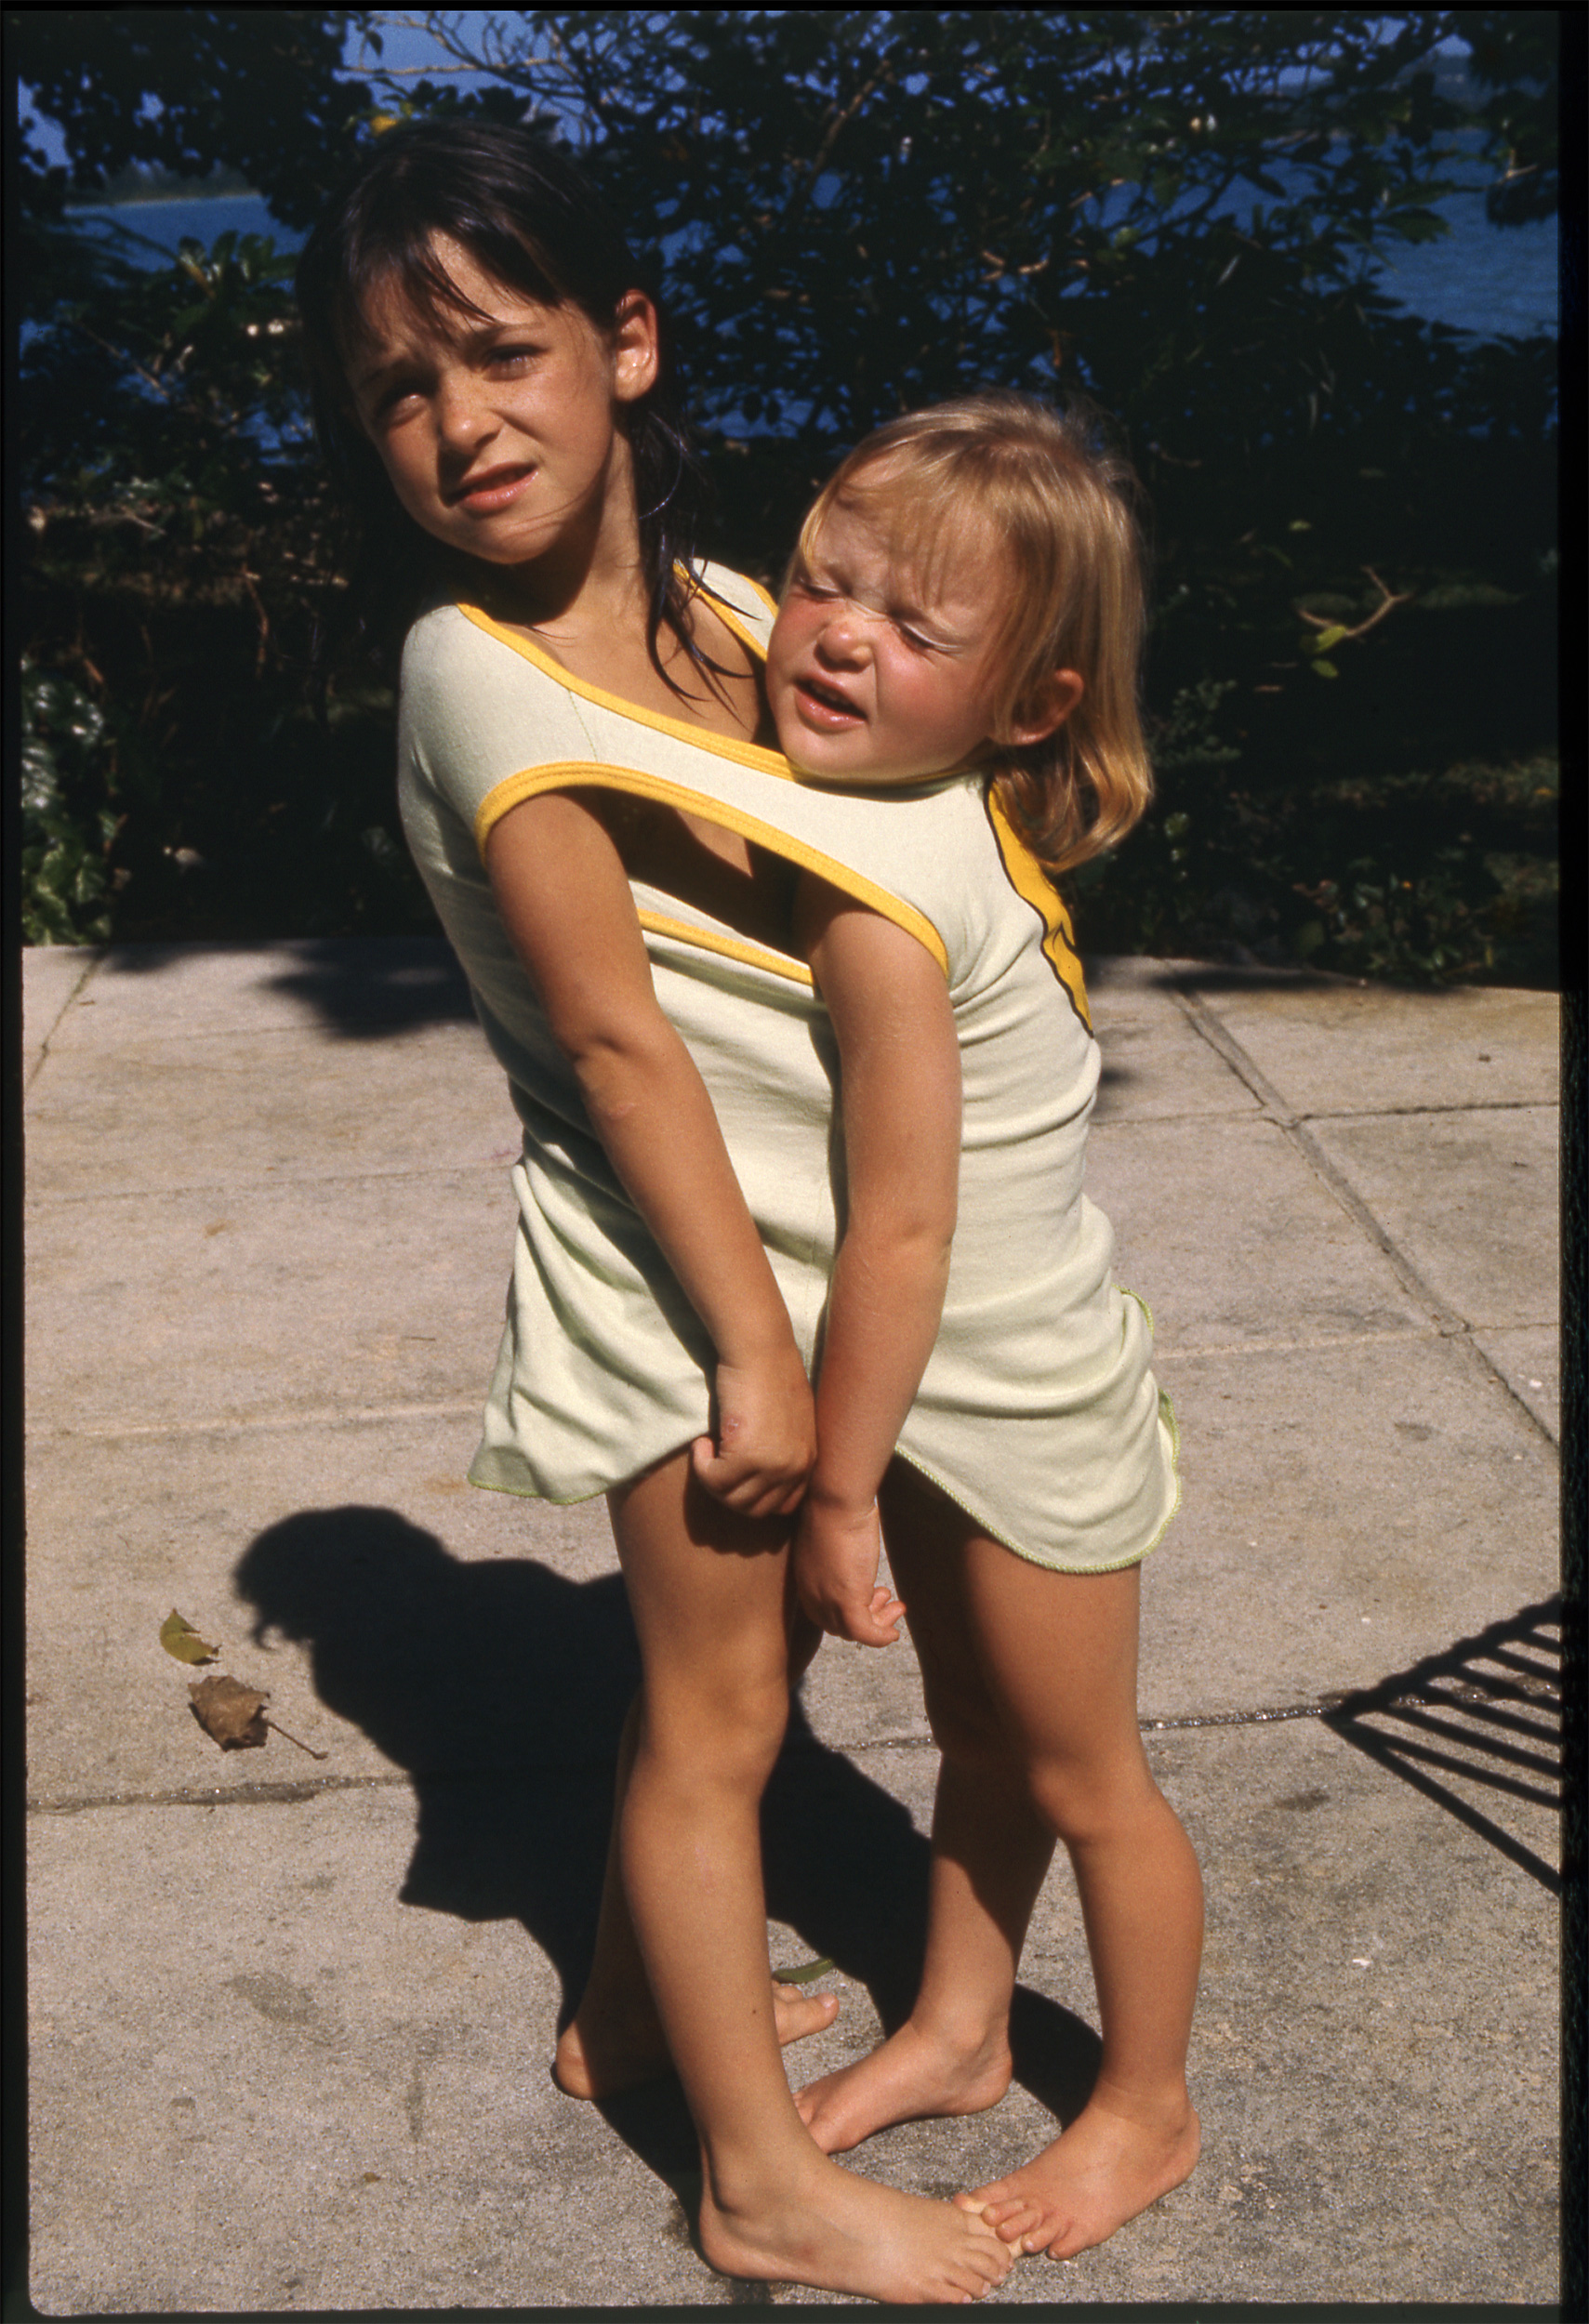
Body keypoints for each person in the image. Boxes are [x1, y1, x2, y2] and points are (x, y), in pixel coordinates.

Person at [294, 117, 1014, 2304]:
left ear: (626, 342)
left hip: (792, 1259)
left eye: (499, 355)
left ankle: (621, 2005)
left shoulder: (727, 620)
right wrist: (763, 1352)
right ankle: (759, 2182)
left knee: (753, 1666)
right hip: (675, 1280)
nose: (455, 424)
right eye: (399, 390)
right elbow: (619, 1050)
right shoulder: (470, 673)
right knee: (717, 1725)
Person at [757, 397, 1206, 2265]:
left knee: (1092, 1773)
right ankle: (959, 2024)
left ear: (1032, 702)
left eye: (913, 627)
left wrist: (839, 1486)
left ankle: (1145, 2101)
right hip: (955, 1398)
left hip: (1012, 1408)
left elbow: (909, 1221)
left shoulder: (887, 888)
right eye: (819, 581)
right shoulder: (915, 803)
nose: (837, 630)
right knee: (975, 1731)